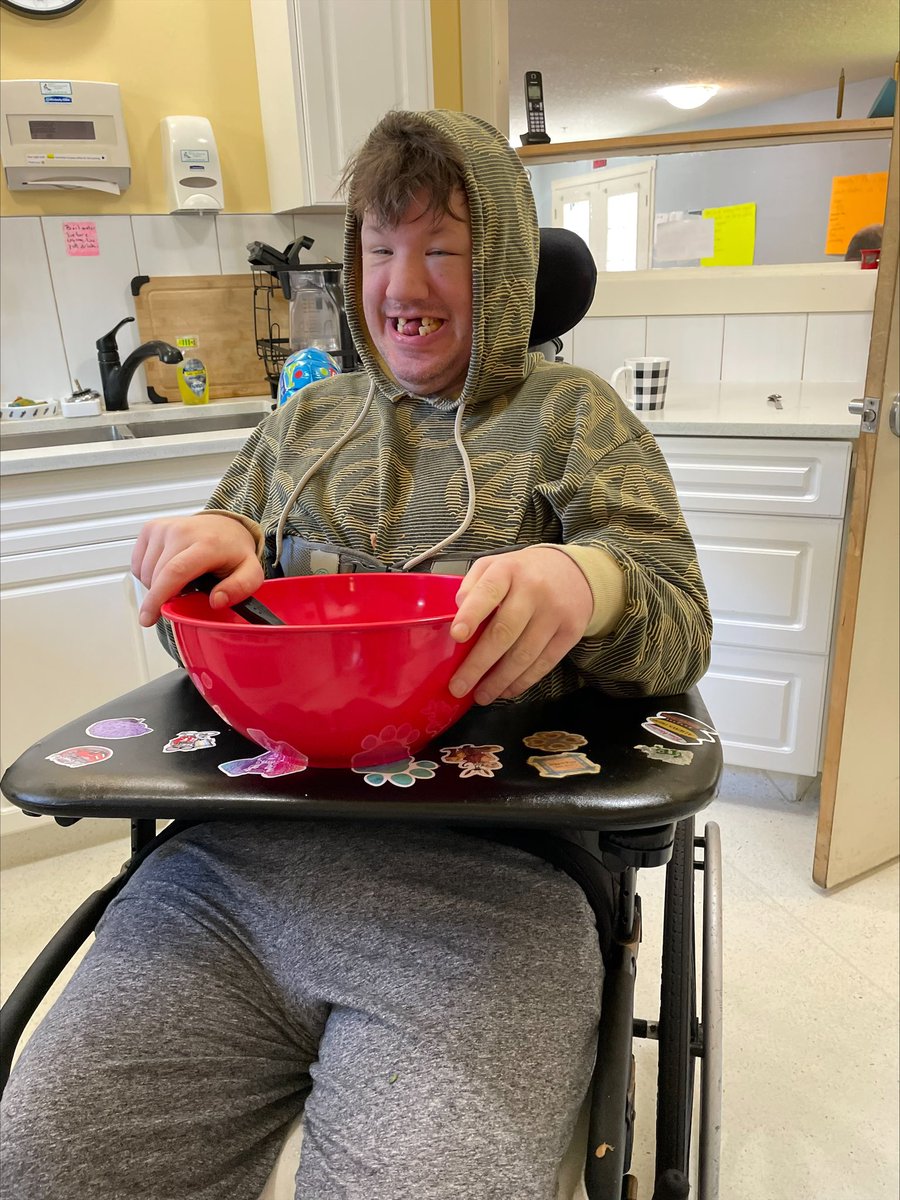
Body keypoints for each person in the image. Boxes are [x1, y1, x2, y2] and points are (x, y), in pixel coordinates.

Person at [0, 110, 711, 1200]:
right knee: (45, 1156)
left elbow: (680, 618)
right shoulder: (304, 423)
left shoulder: (579, 419)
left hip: (494, 880)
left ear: (509, 269)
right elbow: (216, 616)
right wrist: (218, 549)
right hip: (236, 863)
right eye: (381, 248)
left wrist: (594, 578)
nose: (403, 281)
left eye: (445, 249)